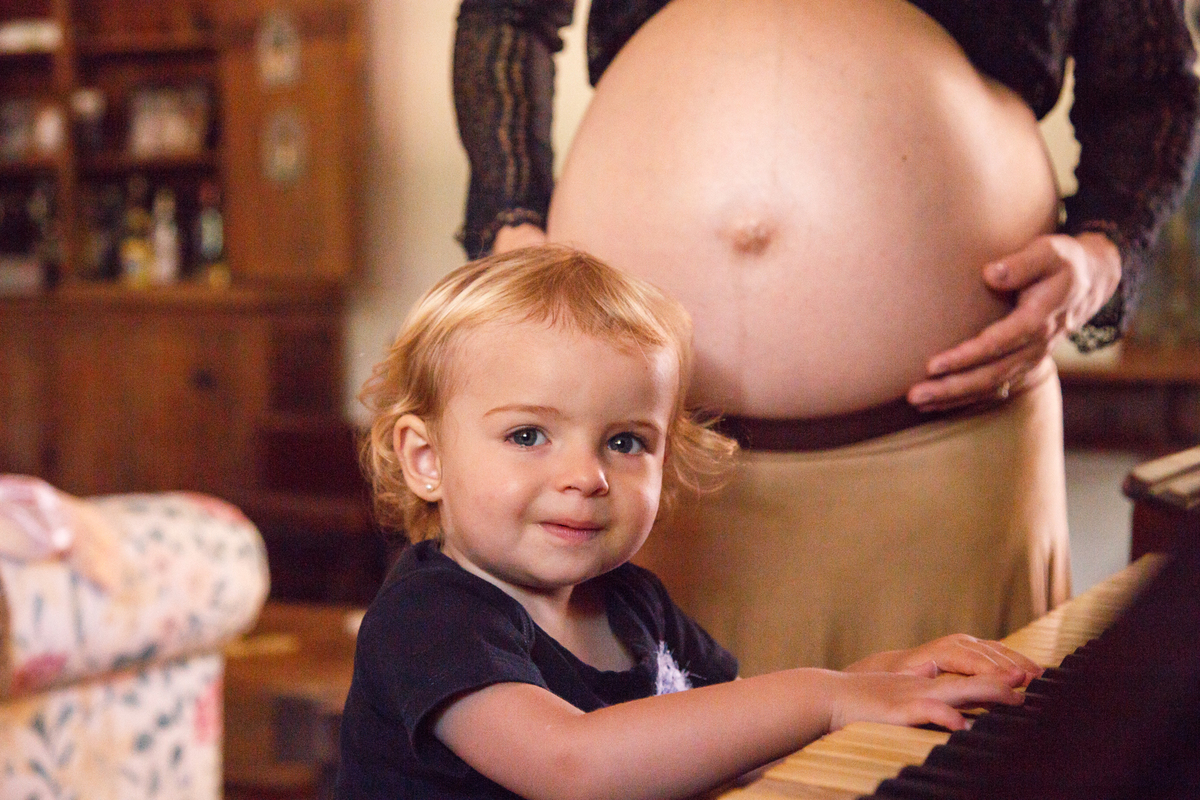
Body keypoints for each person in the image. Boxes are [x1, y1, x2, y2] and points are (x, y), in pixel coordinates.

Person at [451, 0, 1200, 673]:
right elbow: (505, 11)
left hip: (943, 458)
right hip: (647, 471)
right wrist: (511, 217)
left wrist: (1104, 253)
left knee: (947, 760)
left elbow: (1152, 78)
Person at [335, 244, 1041, 800]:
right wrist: (826, 694)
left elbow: (724, 736)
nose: (587, 476)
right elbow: (573, 765)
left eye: (625, 441)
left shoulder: (635, 605)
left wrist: (872, 678)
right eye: (528, 436)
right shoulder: (429, 617)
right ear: (425, 459)